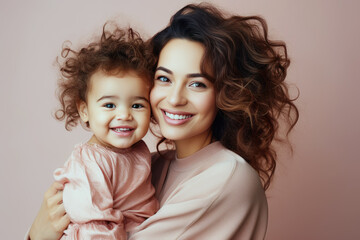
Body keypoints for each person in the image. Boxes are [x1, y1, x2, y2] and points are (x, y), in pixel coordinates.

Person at [27, 3, 299, 240]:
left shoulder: (228, 178)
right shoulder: (148, 165)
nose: (175, 98)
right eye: (164, 79)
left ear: (226, 93)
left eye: (197, 83)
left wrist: (40, 235)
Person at [31, 25, 159, 240]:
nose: (124, 115)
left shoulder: (139, 150)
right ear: (84, 111)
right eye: (109, 105)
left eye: (137, 106)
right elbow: (93, 227)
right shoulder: (89, 163)